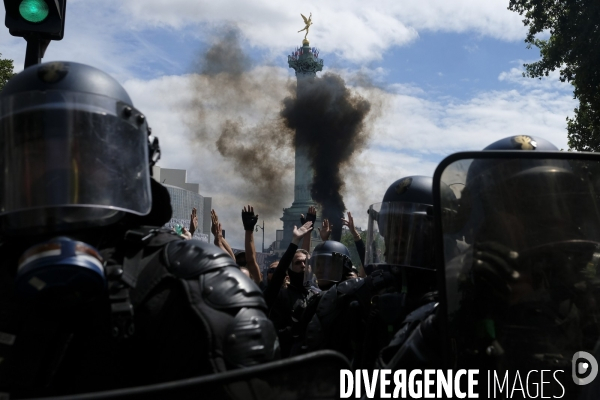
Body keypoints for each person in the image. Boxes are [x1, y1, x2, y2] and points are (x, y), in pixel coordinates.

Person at [0, 62, 279, 398]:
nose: (61, 172)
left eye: (84, 153)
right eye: (35, 154)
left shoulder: (191, 283)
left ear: (126, 167)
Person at [263, 221, 318, 357]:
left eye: (306, 262)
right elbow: (274, 333)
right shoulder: (281, 295)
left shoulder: (317, 294)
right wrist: (295, 242)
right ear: (290, 269)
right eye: (298, 263)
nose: (303, 265)